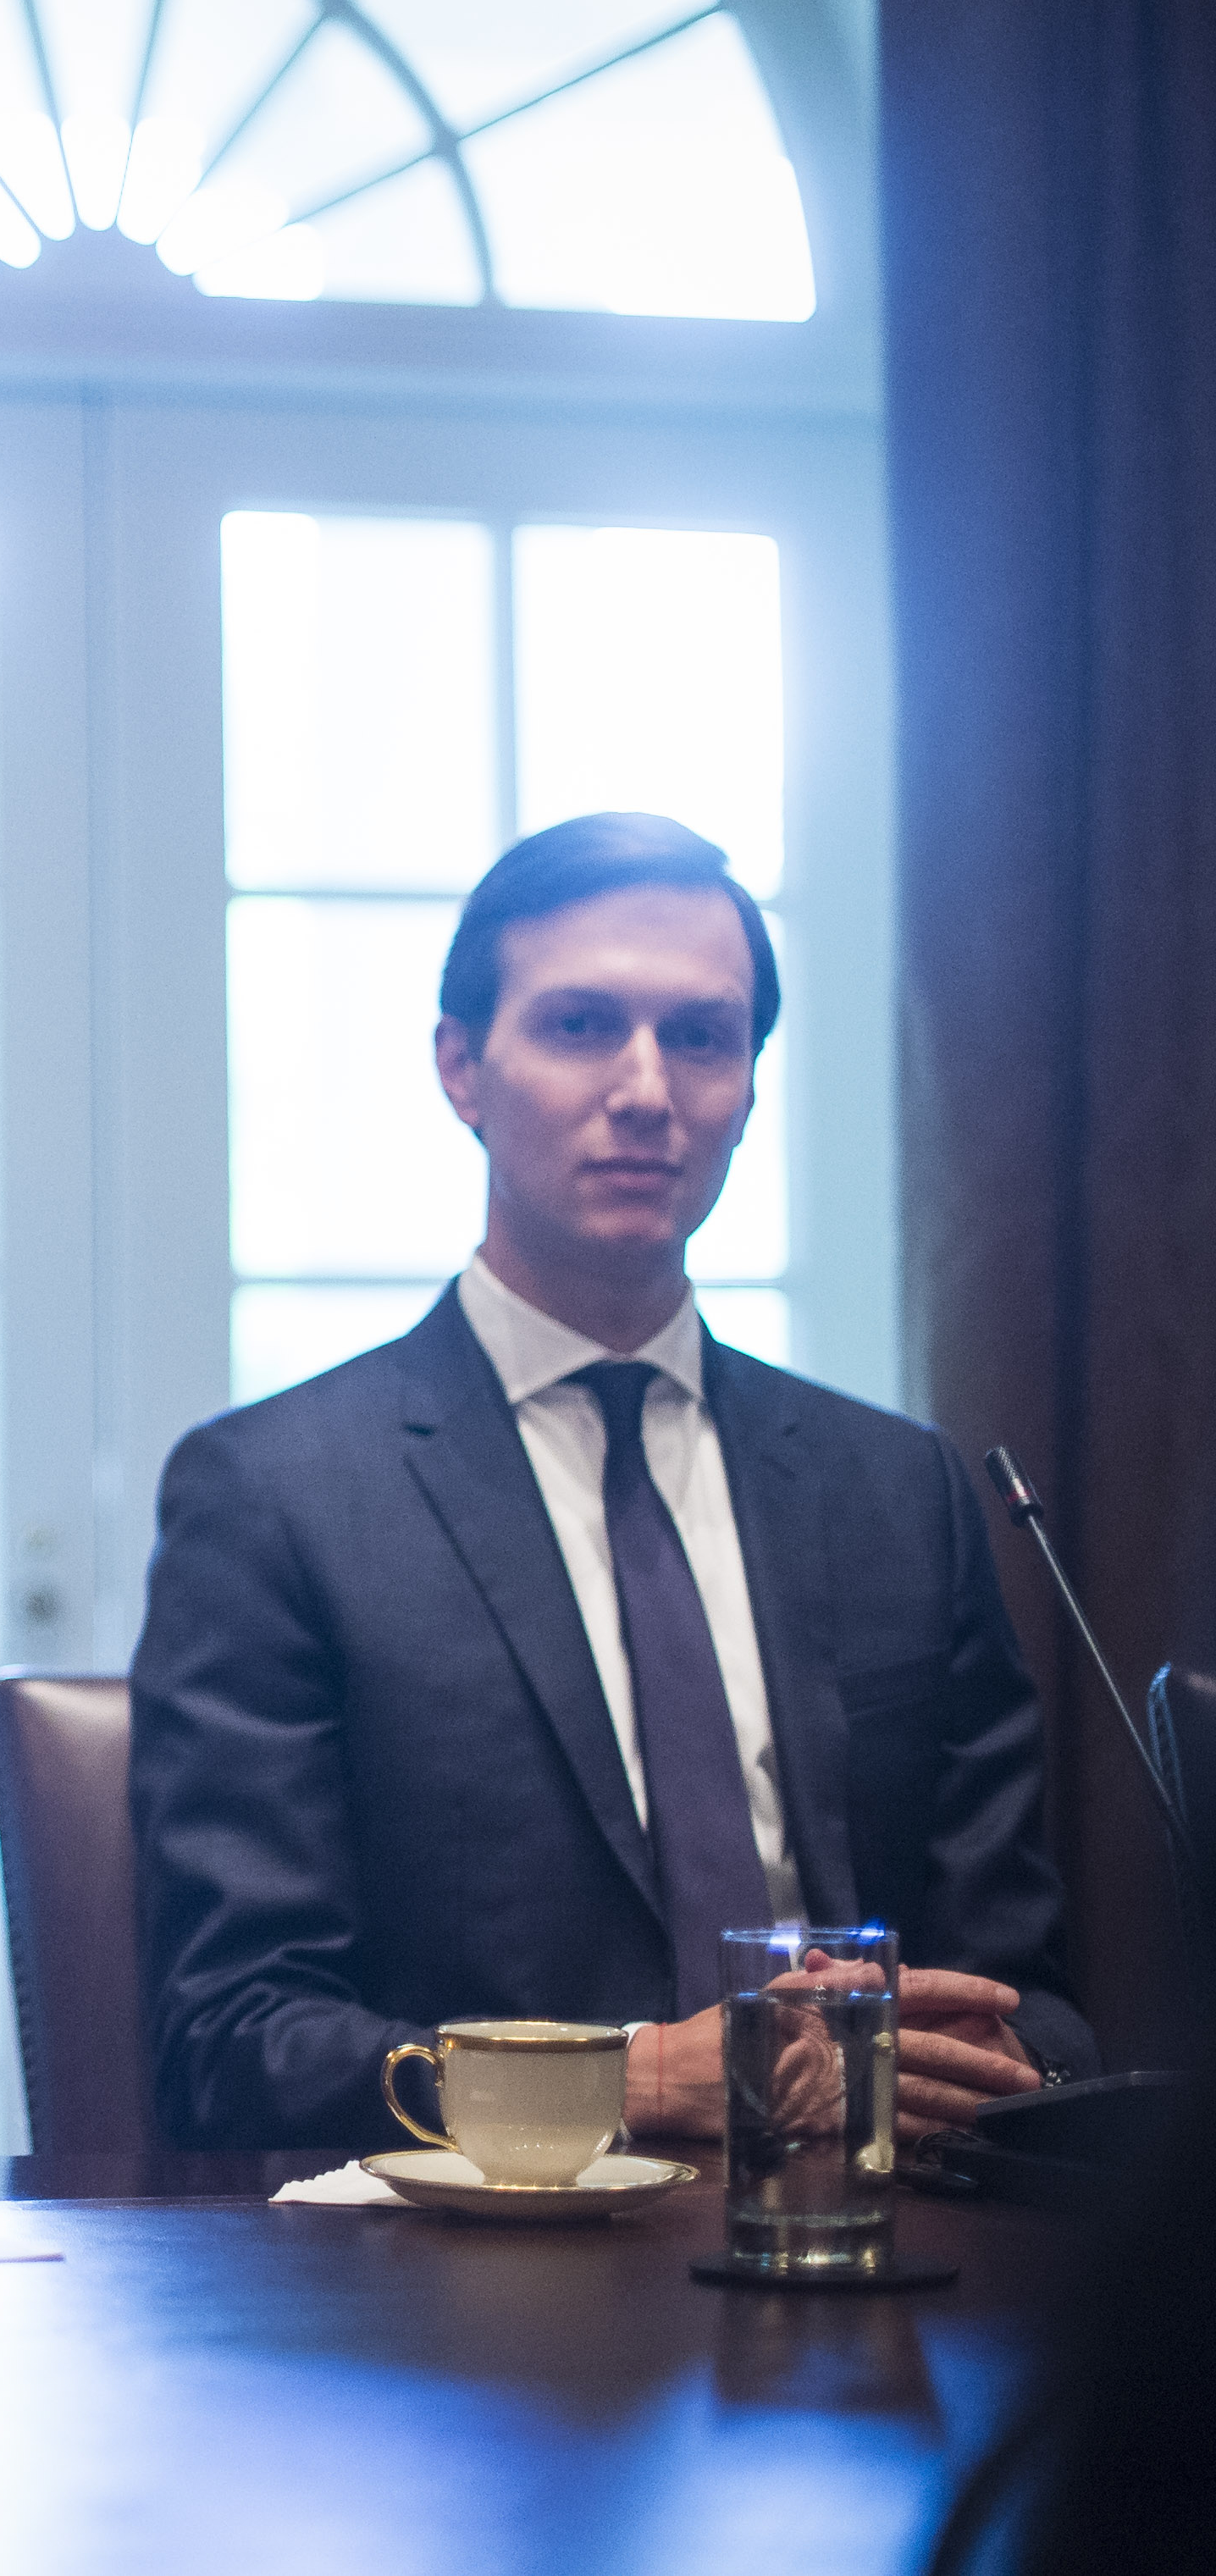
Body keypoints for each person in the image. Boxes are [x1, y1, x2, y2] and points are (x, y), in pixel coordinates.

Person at [131, 811, 1089, 2153]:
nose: (647, 1089)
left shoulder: (900, 1492)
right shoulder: (278, 1496)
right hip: (462, 2300)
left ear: (750, 1085)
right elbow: (230, 2037)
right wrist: (626, 2081)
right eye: (582, 1026)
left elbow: (1032, 1999)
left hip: (867, 2247)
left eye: (701, 1038)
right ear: (462, 1068)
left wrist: (983, 2048)